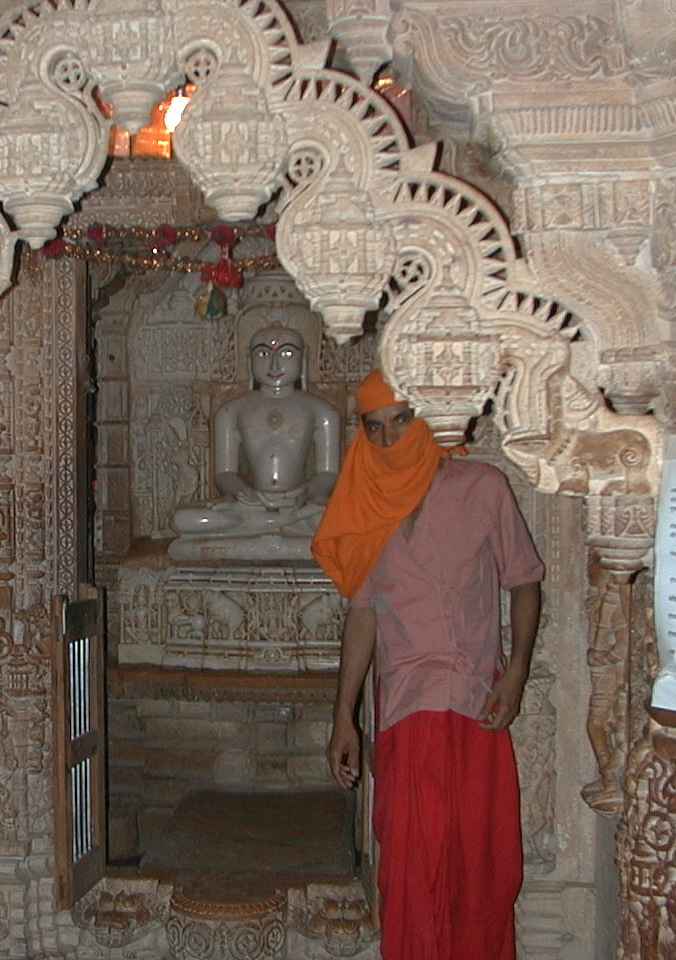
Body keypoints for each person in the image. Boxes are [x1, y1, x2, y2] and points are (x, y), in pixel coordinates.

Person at [311, 369, 544, 960]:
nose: (389, 440)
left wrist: (515, 674)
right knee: (410, 873)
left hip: (474, 706)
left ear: (426, 420)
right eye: (375, 427)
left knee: (480, 868)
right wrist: (344, 717)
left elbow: (524, 583)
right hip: (407, 712)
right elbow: (363, 614)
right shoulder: (366, 506)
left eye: (401, 420)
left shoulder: (482, 487)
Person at [169, 324, 341, 560]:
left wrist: (306, 493)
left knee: (341, 520)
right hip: (247, 509)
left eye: (287, 354)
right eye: (263, 354)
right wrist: (244, 493)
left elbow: (328, 474)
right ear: (249, 360)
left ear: (304, 359)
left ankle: (268, 529)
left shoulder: (322, 411)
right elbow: (225, 474)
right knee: (182, 520)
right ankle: (282, 529)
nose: (274, 365)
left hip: (302, 508)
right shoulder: (231, 411)